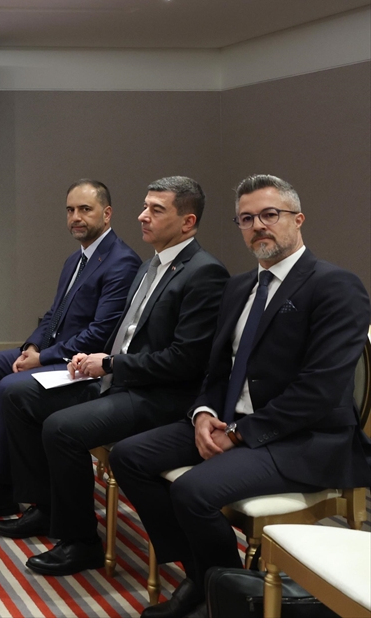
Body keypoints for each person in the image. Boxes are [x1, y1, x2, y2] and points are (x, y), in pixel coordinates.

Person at [111, 175, 371, 618]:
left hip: (301, 438)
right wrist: (203, 413)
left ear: (298, 219)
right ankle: (207, 578)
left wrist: (237, 434)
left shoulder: (335, 286)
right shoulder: (239, 287)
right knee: (129, 456)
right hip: (231, 421)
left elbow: (320, 390)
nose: (258, 226)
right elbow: (216, 369)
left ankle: (228, 600)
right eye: (246, 219)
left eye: (270, 215)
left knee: (192, 492)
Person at [0, 176, 229, 577]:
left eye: (156, 210)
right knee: (20, 396)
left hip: (159, 395)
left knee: (61, 429)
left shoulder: (204, 273)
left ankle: (81, 541)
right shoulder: (151, 264)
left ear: (187, 222)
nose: (142, 216)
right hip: (119, 378)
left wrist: (111, 365)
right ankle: (44, 506)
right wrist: (93, 358)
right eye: (145, 206)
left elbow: (184, 361)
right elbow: (125, 332)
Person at [0, 181, 141, 503]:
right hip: (50, 351)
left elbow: (100, 333)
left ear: (107, 214)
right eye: (70, 210)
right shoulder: (76, 259)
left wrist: (42, 358)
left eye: (85, 209)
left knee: (12, 386)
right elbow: (54, 313)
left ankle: (2, 485)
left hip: (79, 364)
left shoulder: (121, 261)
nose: (75, 217)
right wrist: (32, 347)